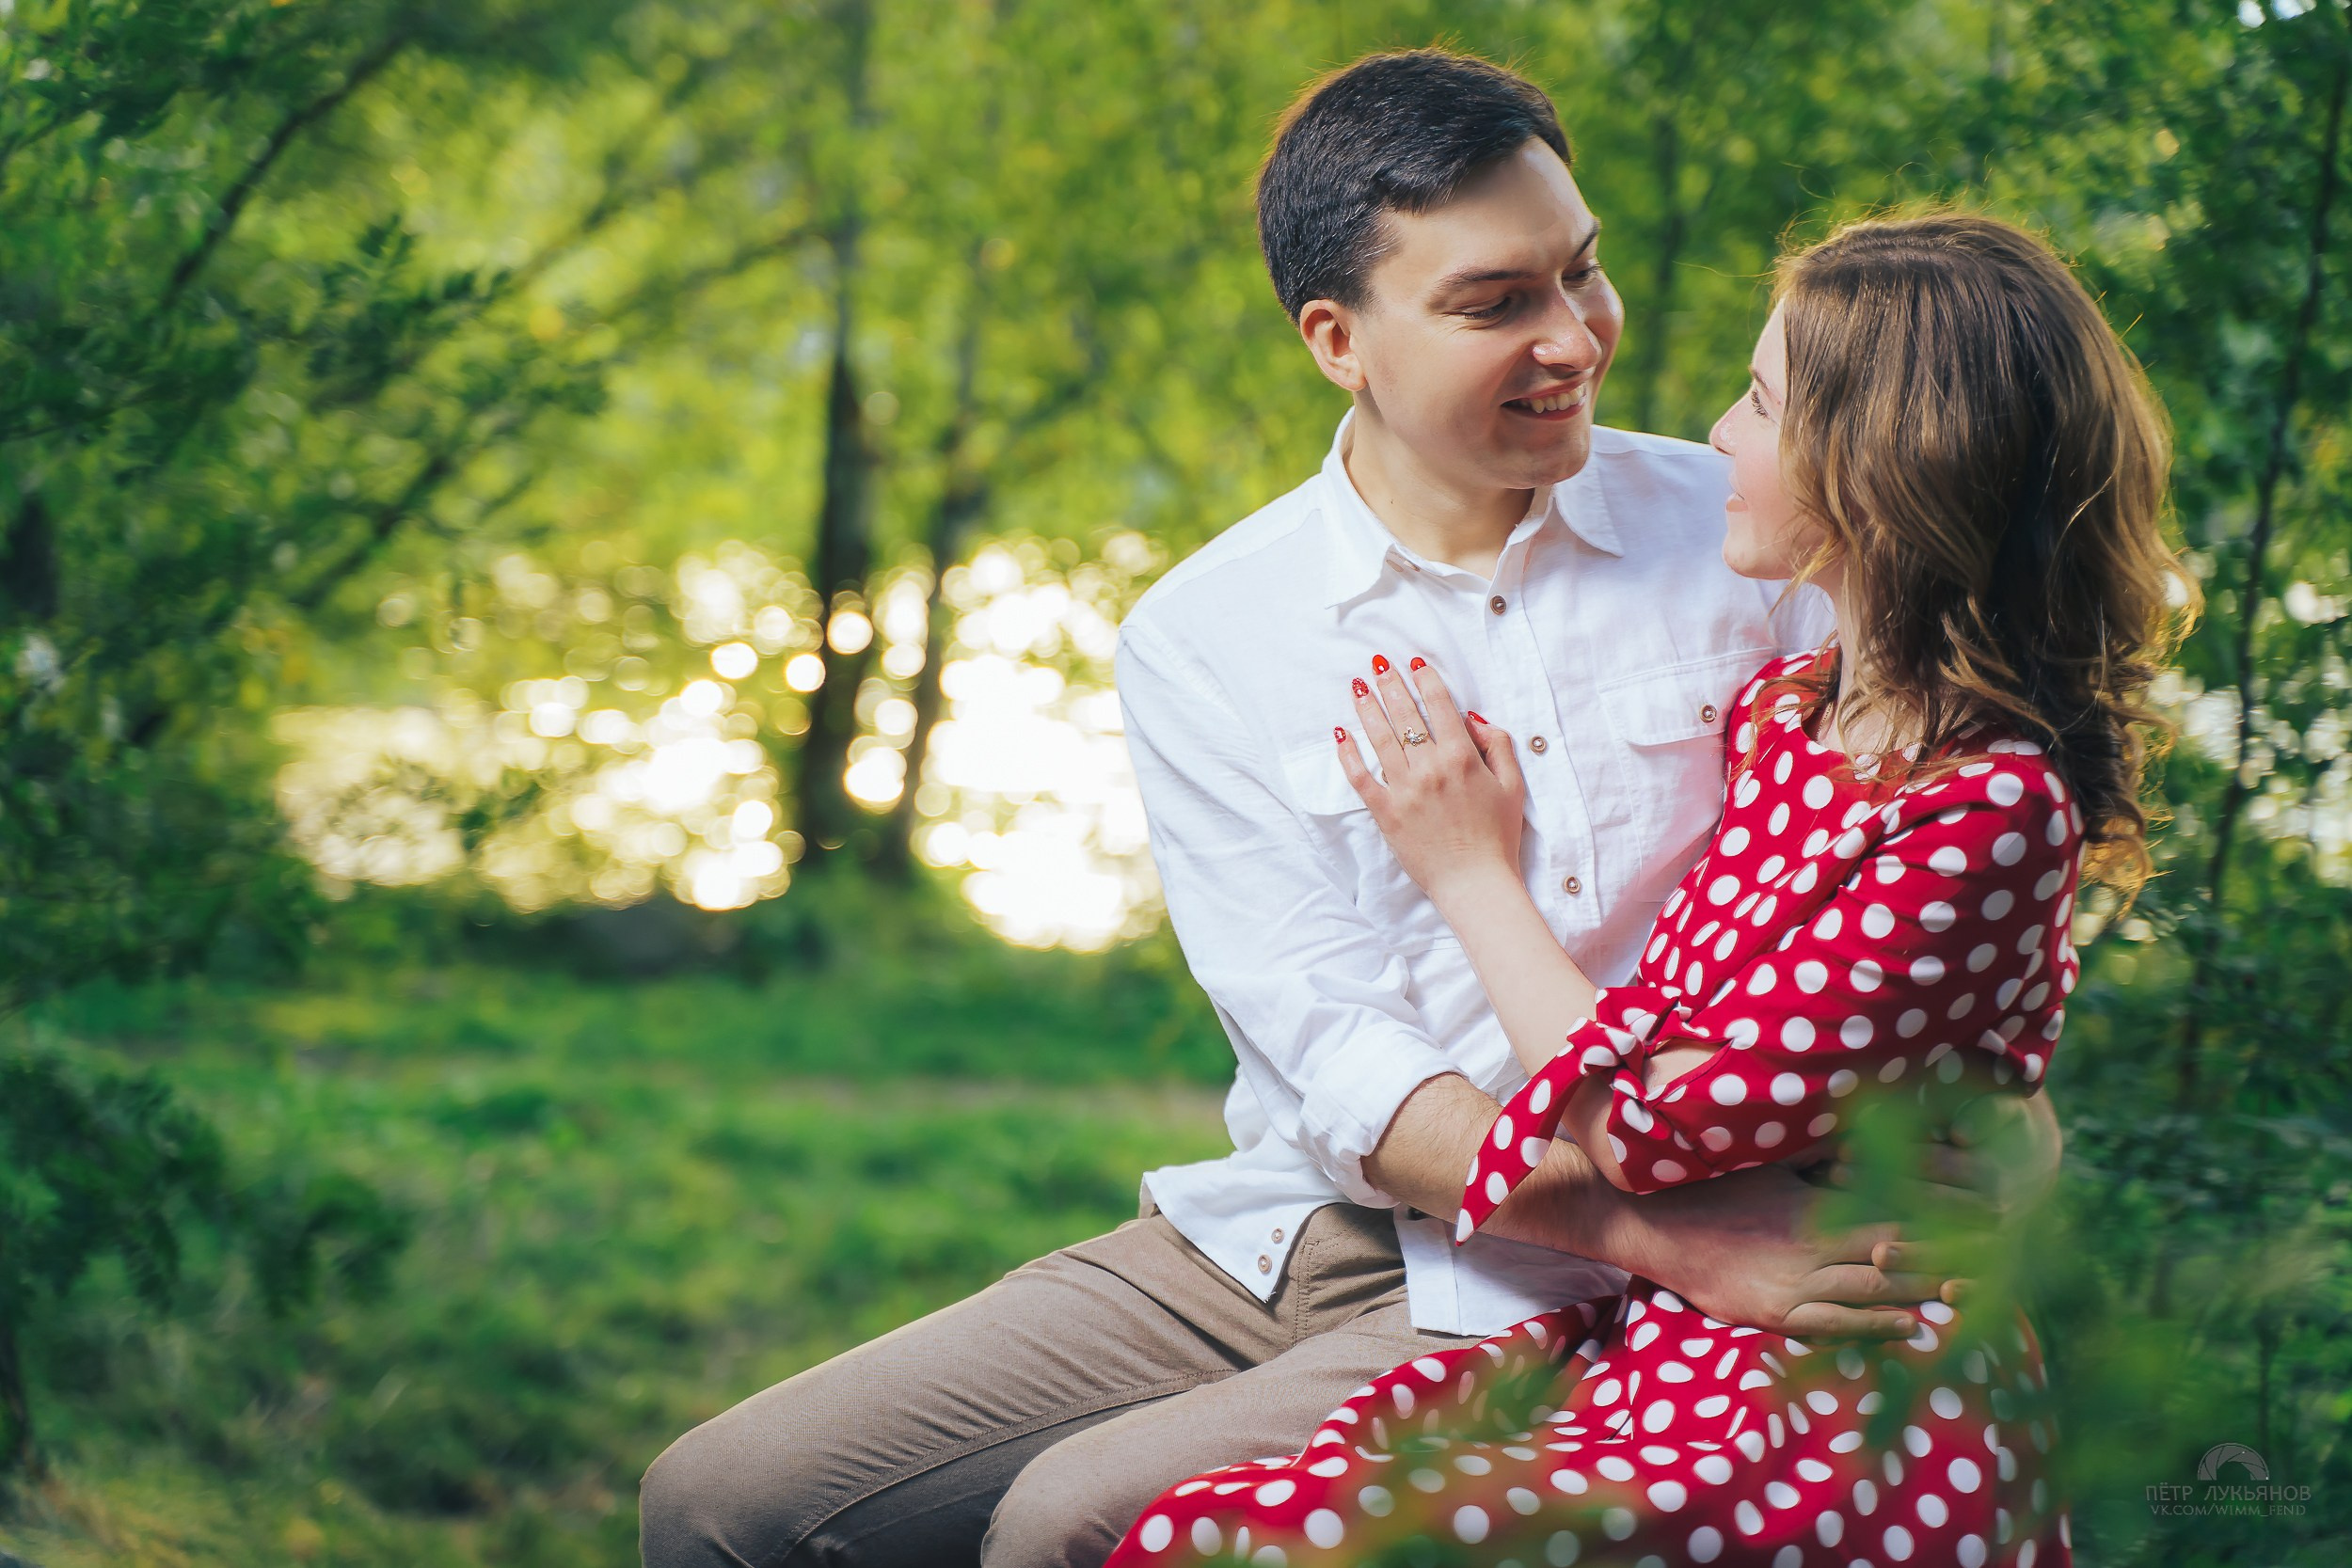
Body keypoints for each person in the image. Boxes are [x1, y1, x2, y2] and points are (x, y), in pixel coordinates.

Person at [636, 51, 2058, 1568]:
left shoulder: (1755, 541)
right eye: (1494, 302)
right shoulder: (1212, 631)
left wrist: (2008, 1108)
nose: (1574, 338)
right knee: (726, 1504)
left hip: (1568, 1279)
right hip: (1293, 1228)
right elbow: (1332, 1054)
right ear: (1338, 341)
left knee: (1073, 1528)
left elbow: (1926, 868)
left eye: (1581, 272)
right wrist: (1667, 1234)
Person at [1106, 211, 2185, 1568]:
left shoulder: (1968, 788)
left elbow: (1663, 1116)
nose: (1719, 433)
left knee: (1190, 1537)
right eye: (1495, 297)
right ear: (1339, 341)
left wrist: (1467, 872)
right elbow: (1706, 1018)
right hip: (1628, 1314)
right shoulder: (1791, 711)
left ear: (1882, 472)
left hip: (1821, 1373)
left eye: (1760, 401)